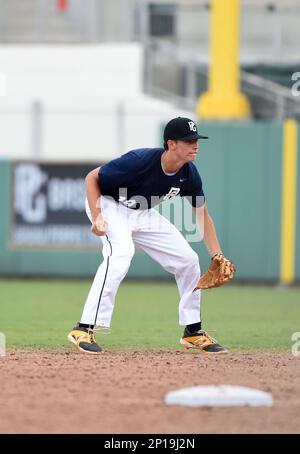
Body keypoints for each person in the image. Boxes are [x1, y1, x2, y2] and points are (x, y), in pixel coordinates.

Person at [68, 117, 230, 355]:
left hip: (141, 212)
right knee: (121, 253)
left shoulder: (189, 174)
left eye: (196, 140)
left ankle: (193, 332)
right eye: (188, 141)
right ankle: (83, 328)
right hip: (109, 204)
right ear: (171, 143)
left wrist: (217, 254)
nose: (195, 145)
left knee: (188, 260)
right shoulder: (140, 160)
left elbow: (203, 216)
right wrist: (98, 215)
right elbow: (92, 178)